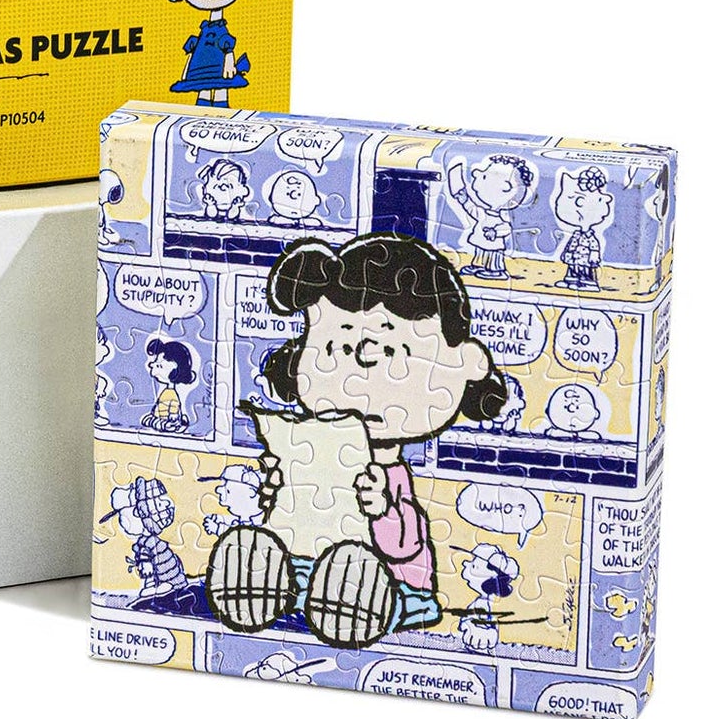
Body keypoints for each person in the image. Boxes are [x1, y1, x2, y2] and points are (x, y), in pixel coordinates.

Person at [207, 233, 508, 646]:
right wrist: (279, 489)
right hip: (313, 570)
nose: (366, 381)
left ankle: (347, 604)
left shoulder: (391, 475)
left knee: (357, 573)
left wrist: (383, 508)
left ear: (466, 362)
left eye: (397, 355)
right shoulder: (315, 448)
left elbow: (406, 546)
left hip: (395, 585)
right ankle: (264, 591)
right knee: (267, 555)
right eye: (337, 348)